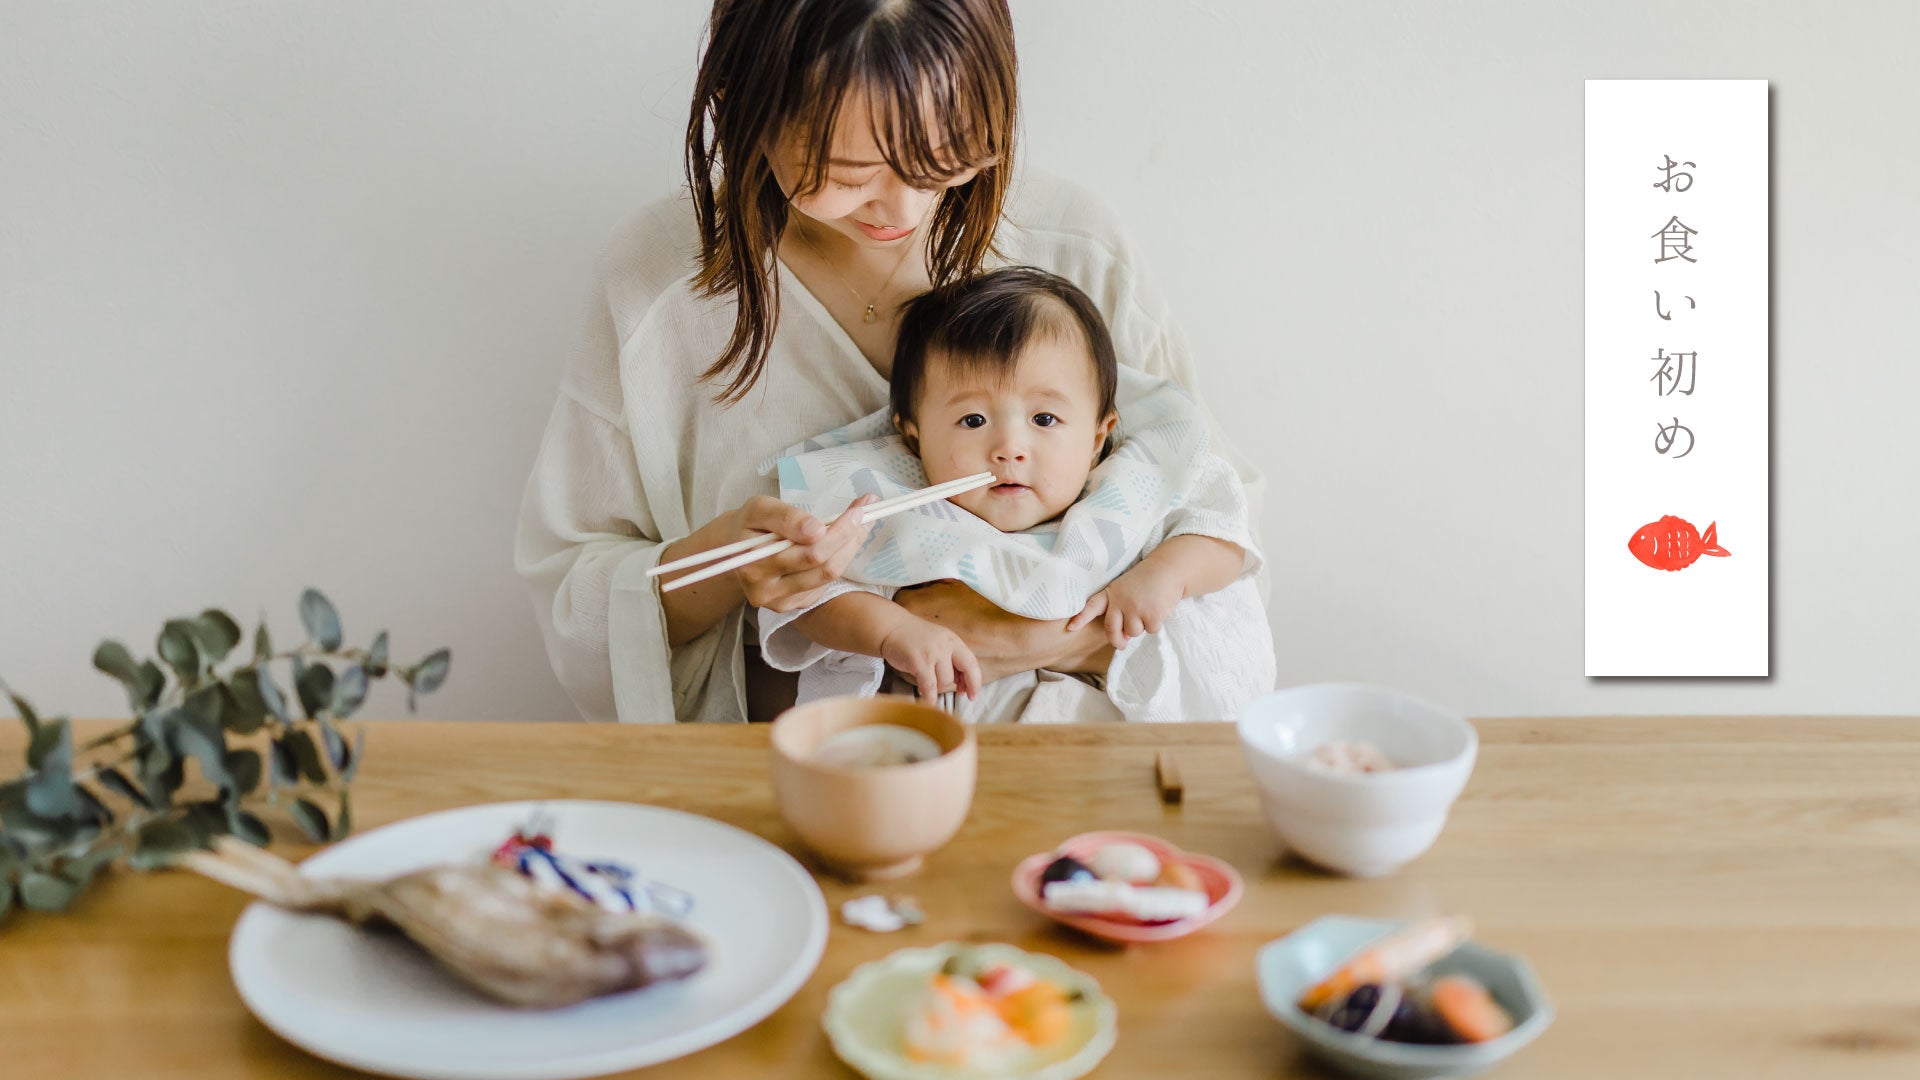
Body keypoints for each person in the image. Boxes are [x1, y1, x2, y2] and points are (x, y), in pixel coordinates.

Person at [515, 0, 1264, 723]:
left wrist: (1025, 637)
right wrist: (732, 567)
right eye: (845, 173)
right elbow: (579, 593)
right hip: (807, 778)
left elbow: (1212, 525)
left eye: (946, 158)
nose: (903, 210)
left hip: (1090, 787)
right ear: (739, 102)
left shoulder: (1073, 251)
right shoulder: (657, 288)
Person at [753, 267, 1274, 723]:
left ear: (1097, 436)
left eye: (1044, 419)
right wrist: (889, 630)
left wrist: (1165, 575)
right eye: (972, 420)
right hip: (939, 756)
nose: (1009, 448)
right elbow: (808, 600)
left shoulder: (1128, 492)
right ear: (913, 436)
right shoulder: (891, 501)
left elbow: (1222, 536)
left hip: (1102, 753)